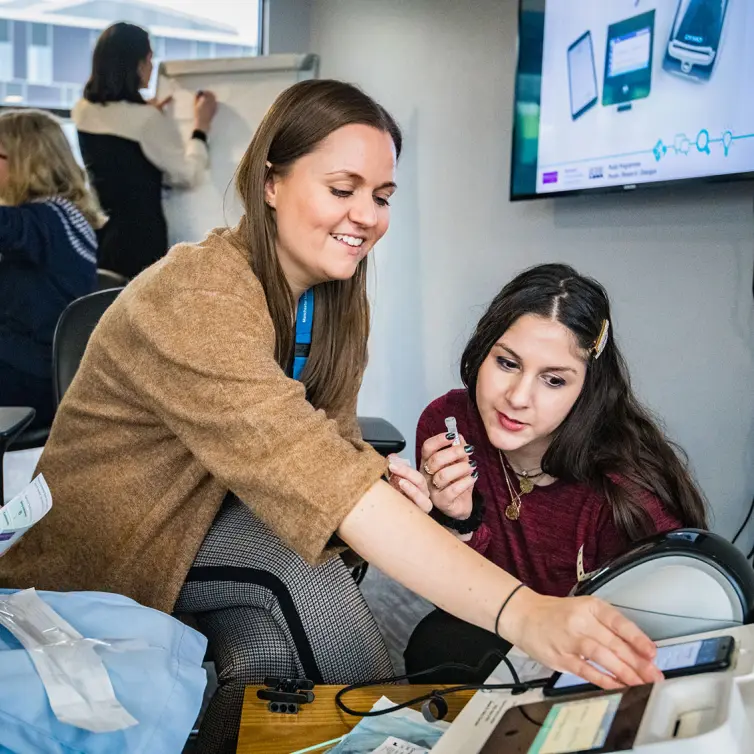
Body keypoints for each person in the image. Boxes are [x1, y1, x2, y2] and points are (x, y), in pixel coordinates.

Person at [0, 83, 662, 753]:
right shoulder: (197, 296)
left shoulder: (334, 300)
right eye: (343, 189)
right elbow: (312, 474)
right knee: (299, 569)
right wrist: (527, 613)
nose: (366, 216)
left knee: (264, 663)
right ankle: (400, 739)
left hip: (209, 525)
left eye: (381, 196)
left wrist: (376, 475)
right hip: (111, 549)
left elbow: (330, 444)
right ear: (270, 184)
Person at [393, 264, 709, 682]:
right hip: (498, 624)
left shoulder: (625, 488)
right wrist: (456, 522)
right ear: (482, 350)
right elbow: (459, 594)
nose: (518, 398)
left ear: (587, 388)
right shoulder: (448, 422)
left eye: (554, 380)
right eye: (506, 363)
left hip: (597, 653)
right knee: (439, 644)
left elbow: (671, 626)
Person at [73, 22, 218, 279]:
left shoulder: (82, 110)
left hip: (102, 234)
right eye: (149, 59)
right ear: (137, 64)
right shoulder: (146, 120)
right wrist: (201, 127)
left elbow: (119, 138)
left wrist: (145, 113)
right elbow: (187, 174)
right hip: (141, 239)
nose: (152, 67)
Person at [0, 109, 106, 431]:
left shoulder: (49, 219)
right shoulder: (63, 215)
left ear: (24, 160)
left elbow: (10, 227)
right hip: (32, 366)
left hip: (32, 376)